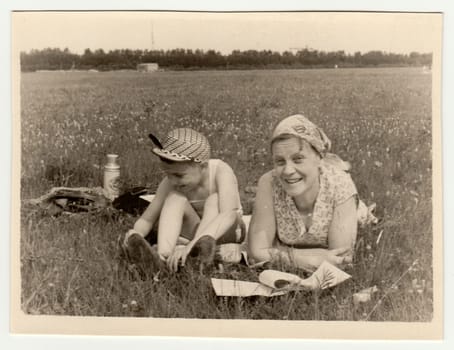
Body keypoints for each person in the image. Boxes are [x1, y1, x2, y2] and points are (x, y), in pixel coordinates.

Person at [121, 128, 244, 274]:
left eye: (179, 175)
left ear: (203, 166)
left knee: (214, 199)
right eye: (168, 174)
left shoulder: (221, 171)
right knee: (174, 197)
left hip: (227, 231)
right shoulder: (171, 182)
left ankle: (196, 254)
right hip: (194, 233)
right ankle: (162, 259)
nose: (173, 180)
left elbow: (228, 214)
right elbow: (147, 219)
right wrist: (135, 233)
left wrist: (192, 244)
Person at [248, 114, 358, 273]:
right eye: (280, 161)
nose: (288, 170)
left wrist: (277, 250)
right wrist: (310, 258)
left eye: (298, 159)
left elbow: (341, 260)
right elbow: (256, 253)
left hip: (342, 199)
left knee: (361, 215)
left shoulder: (340, 185)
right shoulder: (269, 182)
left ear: (319, 158)